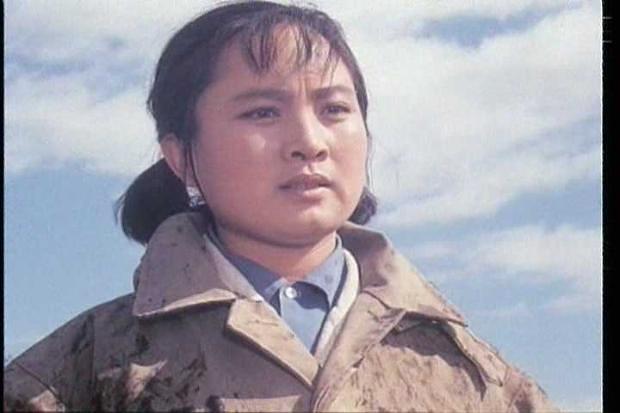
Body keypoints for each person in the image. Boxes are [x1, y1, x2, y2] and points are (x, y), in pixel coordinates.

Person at [3, 1, 558, 411]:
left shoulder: (479, 379)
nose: (309, 142)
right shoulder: (80, 372)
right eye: (262, 113)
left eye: (334, 109)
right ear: (181, 157)